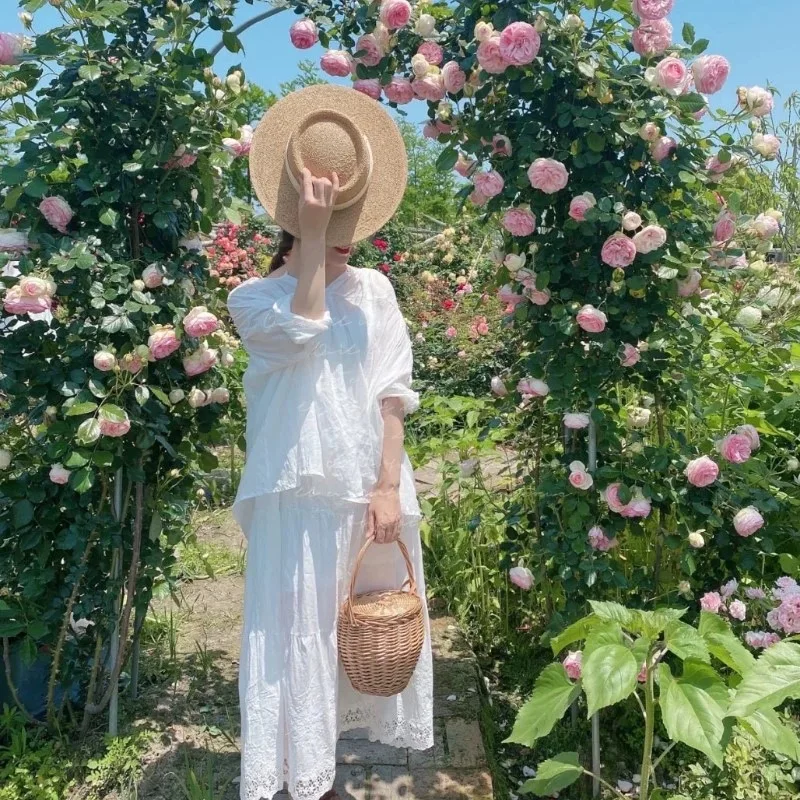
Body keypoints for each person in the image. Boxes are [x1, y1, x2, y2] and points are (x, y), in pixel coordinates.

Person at [227, 85, 433, 800]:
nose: (348, 230)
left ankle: (338, 754)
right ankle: (296, 773)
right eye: (331, 215)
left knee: (365, 631)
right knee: (294, 635)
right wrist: (312, 241)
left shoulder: (376, 290)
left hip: (363, 485)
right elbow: (305, 324)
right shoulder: (253, 300)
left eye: (350, 216)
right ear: (294, 215)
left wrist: (386, 484)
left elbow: (392, 393)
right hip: (292, 488)